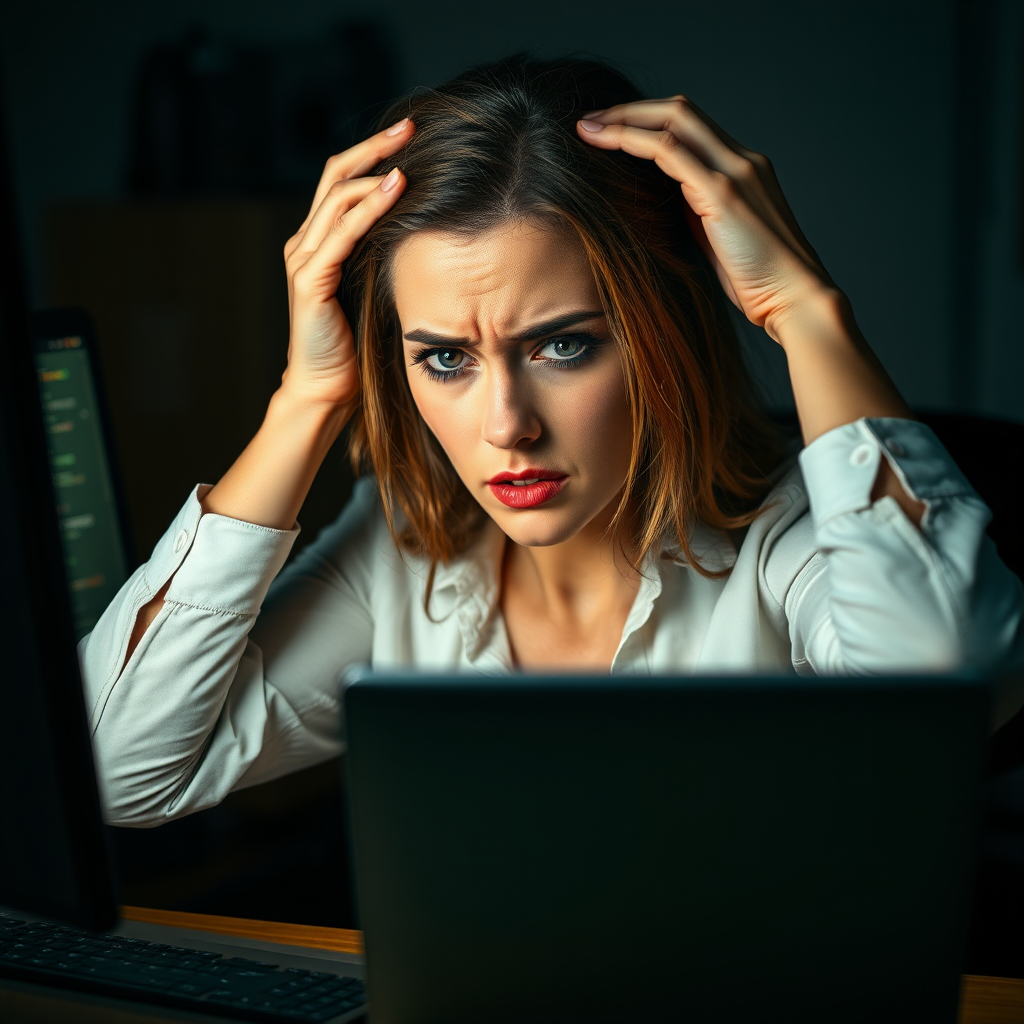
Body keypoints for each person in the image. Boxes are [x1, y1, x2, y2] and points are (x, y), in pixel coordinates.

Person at [79, 52, 1024, 827]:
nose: (506, 427)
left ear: (662, 335)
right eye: (444, 359)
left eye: (563, 346)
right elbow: (117, 770)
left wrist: (807, 313)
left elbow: (943, 692)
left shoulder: (786, 540)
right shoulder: (399, 557)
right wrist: (308, 396)